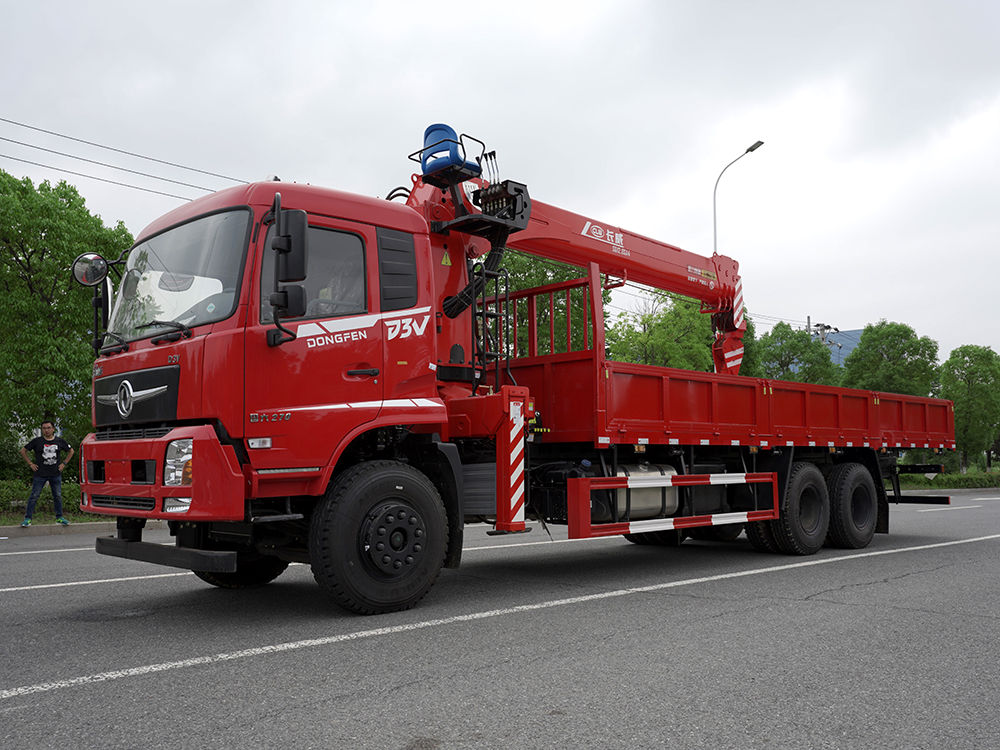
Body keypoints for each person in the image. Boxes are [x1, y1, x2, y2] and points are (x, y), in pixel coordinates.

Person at [20, 420, 75, 527]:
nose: (46, 430)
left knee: (57, 496)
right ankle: (28, 518)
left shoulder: (59, 441)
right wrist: (31, 464)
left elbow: (71, 451)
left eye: (49, 428)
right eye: (44, 428)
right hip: (40, 474)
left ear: (53, 429)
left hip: (55, 473)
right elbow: (23, 451)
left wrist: (64, 463)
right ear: (42, 430)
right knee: (34, 496)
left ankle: (59, 517)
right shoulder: (37, 441)